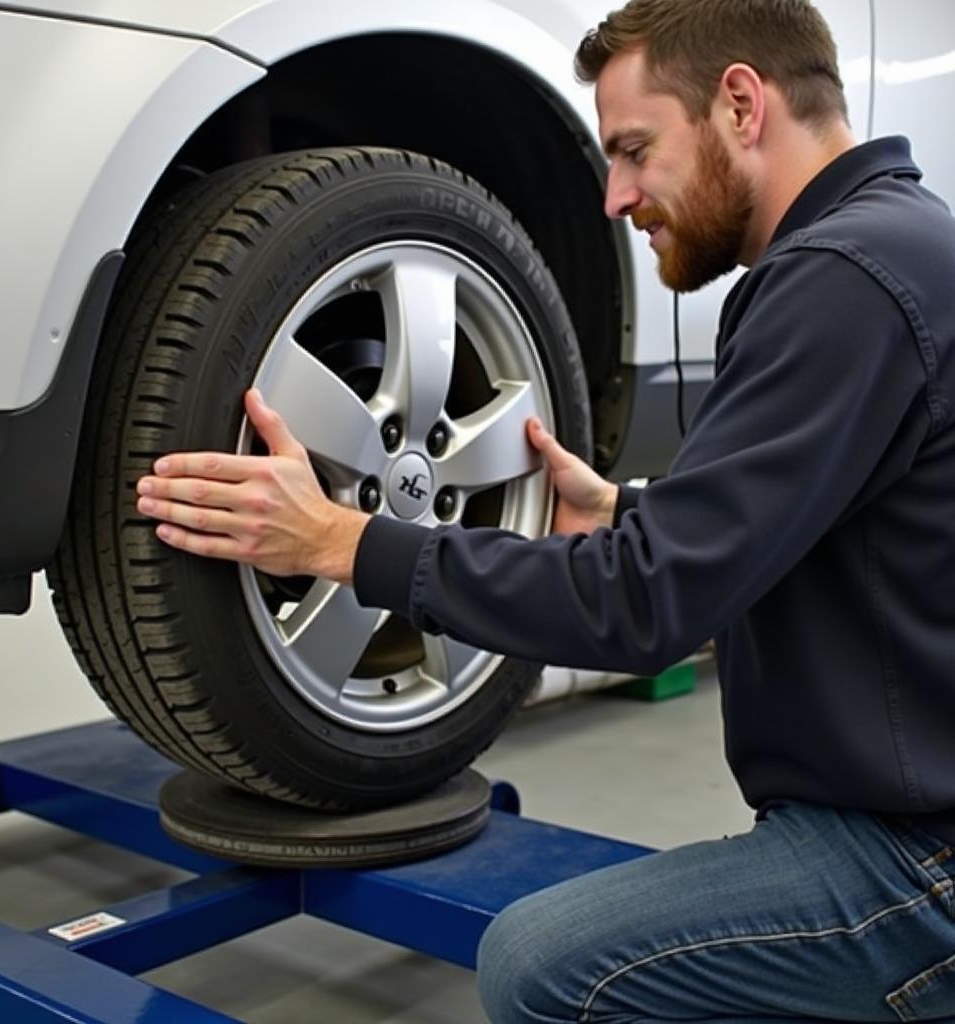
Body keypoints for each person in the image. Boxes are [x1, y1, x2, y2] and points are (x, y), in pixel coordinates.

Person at [135, 0, 955, 1018]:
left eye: (632, 149)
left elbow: (645, 611)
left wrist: (347, 539)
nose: (613, 196)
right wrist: (627, 511)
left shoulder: (842, 278)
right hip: (909, 818)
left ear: (741, 104)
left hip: (918, 866)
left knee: (544, 962)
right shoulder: (901, 245)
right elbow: (843, 529)